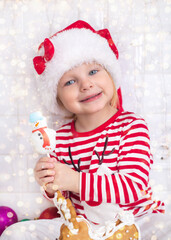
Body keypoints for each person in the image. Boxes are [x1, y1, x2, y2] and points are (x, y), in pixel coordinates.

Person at [1, 20, 165, 240]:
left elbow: (132, 187)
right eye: (70, 82)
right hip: (81, 227)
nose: (86, 85)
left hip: (134, 220)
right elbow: (64, 195)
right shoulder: (59, 138)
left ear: (111, 75)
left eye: (94, 71)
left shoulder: (131, 126)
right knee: (17, 234)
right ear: (57, 98)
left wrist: (74, 179)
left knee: (165, 224)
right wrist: (50, 184)